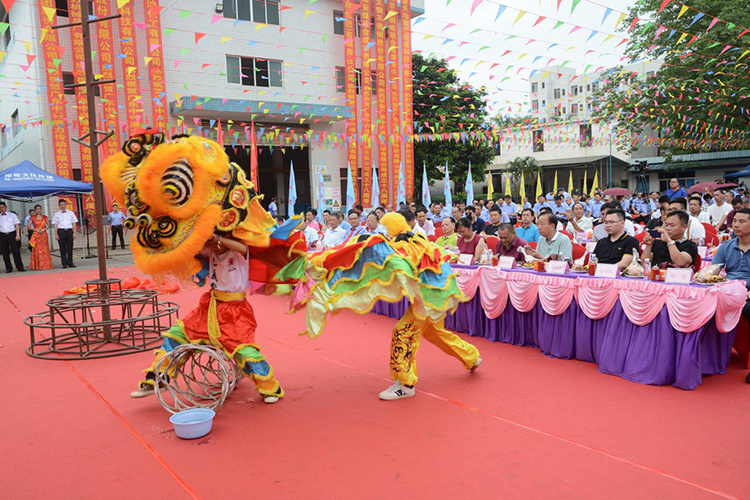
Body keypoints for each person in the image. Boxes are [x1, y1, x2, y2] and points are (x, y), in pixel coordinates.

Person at [130, 233, 284, 403]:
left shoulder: (238, 253)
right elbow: (187, 251)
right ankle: (157, 378)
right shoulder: (210, 251)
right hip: (209, 308)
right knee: (176, 334)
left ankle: (270, 387)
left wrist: (217, 239)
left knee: (244, 352)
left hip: (235, 313)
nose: (212, 247)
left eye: (214, 243)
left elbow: (243, 247)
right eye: (209, 244)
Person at [711, 208, 750, 383]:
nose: (736, 225)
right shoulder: (726, 246)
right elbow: (713, 271)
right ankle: (707, 357)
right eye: (735, 221)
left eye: (742, 221)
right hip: (730, 290)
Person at [0, 201, 25, 273]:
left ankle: (20, 267)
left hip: (12, 234)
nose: (1, 209)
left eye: (2, 207)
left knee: (16, 251)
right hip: (2, 235)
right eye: (0, 208)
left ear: (6, 207)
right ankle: (8, 268)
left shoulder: (12, 215)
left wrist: (17, 235)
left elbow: (17, 225)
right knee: (5, 252)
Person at [52, 199, 78, 269]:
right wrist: (56, 234)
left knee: (70, 247)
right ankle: (64, 263)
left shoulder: (71, 213)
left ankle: (70, 262)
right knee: (62, 248)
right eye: (61, 205)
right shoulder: (56, 214)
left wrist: (74, 233)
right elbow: (55, 224)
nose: (62, 206)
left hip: (69, 231)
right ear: (59, 205)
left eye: (63, 204)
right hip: (61, 231)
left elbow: (74, 223)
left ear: (66, 205)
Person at [28, 205, 53, 270]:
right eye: (37, 209)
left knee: (44, 249)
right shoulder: (32, 218)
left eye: (39, 209)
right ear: (35, 210)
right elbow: (29, 226)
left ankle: (46, 265)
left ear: (41, 209)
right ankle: (38, 265)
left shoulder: (45, 217)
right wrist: (35, 230)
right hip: (36, 235)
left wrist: (44, 229)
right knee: (37, 250)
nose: (38, 210)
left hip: (43, 235)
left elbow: (49, 225)